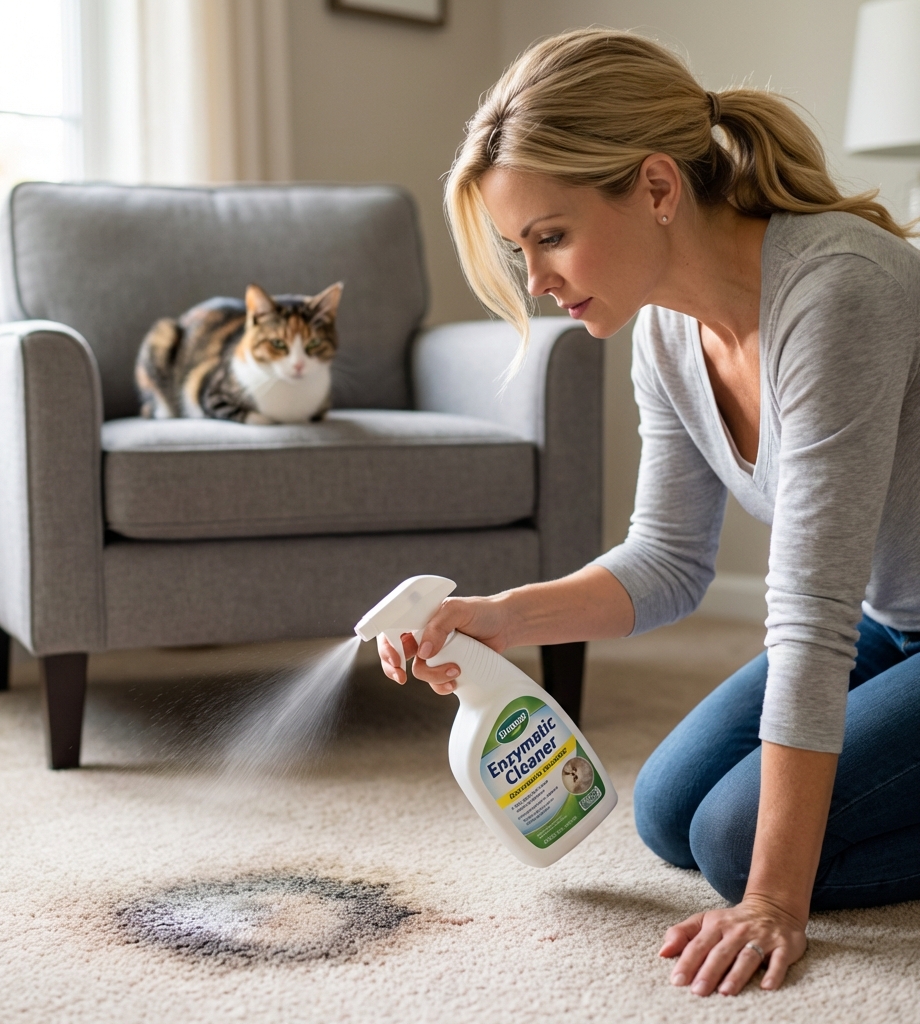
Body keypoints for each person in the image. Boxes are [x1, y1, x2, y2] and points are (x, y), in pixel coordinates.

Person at [379, 28, 920, 998]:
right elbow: (669, 559)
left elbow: (807, 616)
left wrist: (772, 903)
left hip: (860, 621)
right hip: (897, 622)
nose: (536, 282)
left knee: (730, 842)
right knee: (668, 811)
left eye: (550, 235)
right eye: (518, 249)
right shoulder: (665, 332)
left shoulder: (838, 289)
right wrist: (502, 617)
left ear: (658, 188)